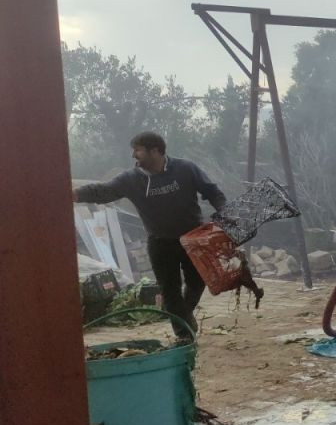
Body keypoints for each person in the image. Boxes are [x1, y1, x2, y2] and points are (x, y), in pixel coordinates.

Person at [72, 132, 226, 339]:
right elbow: (105, 191)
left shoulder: (185, 169)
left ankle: (185, 314)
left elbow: (212, 191)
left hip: (193, 239)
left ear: (155, 151)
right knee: (170, 292)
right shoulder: (131, 179)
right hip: (160, 243)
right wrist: (76, 194)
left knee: (196, 284)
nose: (134, 155)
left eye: (138, 150)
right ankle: (184, 336)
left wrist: (223, 210)